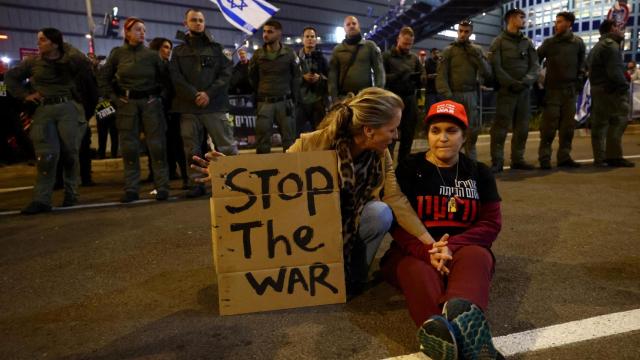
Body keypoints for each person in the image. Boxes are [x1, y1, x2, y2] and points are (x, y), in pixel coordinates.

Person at [191, 87, 436, 296]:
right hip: (308, 227)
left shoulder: (380, 155)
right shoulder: (312, 144)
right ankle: (308, 276)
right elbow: (272, 179)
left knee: (380, 213)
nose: (396, 136)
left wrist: (429, 242)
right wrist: (228, 174)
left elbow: (394, 198)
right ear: (369, 130)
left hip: (348, 226)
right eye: (392, 129)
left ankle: (351, 279)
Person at [381, 100, 502, 360]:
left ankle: (458, 327)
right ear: (428, 135)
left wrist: (450, 246)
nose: (443, 138)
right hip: (415, 253)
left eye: (451, 131)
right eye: (436, 131)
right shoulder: (410, 168)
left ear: (464, 136)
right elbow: (397, 223)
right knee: (416, 270)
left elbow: (491, 224)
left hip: (462, 250)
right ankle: (453, 340)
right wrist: (428, 252)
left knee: (478, 256)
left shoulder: (479, 172)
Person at [5, 28, 89, 214]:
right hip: (44, 110)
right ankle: (41, 199)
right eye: (38, 40)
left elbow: (83, 61)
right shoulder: (33, 62)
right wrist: (24, 95)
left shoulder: (69, 60)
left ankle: (71, 194)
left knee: (70, 153)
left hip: (68, 108)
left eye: (43, 40)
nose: (38, 43)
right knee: (46, 156)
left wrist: (62, 46)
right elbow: (10, 78)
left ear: (54, 42)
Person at [99, 17, 171, 203]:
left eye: (144, 30)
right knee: (129, 147)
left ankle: (162, 187)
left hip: (150, 103)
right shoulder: (117, 54)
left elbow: (165, 80)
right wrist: (115, 99)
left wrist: (159, 98)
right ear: (127, 32)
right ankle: (131, 188)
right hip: (127, 104)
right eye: (138, 29)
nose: (142, 33)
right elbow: (104, 79)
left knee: (157, 146)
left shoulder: (152, 55)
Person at [170, 8, 239, 197]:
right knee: (191, 149)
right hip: (188, 107)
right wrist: (194, 95)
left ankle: (233, 181)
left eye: (201, 20)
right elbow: (175, 77)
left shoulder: (217, 49)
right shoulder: (178, 52)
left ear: (204, 23)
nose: (198, 23)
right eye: (194, 20)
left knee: (226, 147)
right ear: (186, 24)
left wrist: (208, 94)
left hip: (214, 106)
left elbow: (226, 75)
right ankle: (196, 184)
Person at [488, 8, 539, 173]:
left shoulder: (528, 42)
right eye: (520, 17)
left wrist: (525, 82)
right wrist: (510, 83)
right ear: (510, 18)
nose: (524, 20)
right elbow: (496, 66)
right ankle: (497, 161)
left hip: (523, 92)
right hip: (506, 92)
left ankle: (518, 159)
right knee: (500, 128)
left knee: (522, 127)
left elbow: (535, 66)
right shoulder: (499, 42)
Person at [536, 12, 586, 170]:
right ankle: (544, 158)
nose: (556, 24)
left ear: (569, 23)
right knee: (548, 128)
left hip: (570, 92)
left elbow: (582, 65)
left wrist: (578, 82)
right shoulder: (549, 43)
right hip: (552, 91)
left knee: (567, 128)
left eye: (559, 22)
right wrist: (539, 80)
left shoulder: (578, 42)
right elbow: (535, 60)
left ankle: (564, 157)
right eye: (555, 22)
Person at [436, 20, 491, 161]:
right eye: (460, 30)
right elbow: (441, 76)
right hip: (454, 94)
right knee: (453, 128)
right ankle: (451, 161)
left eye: (466, 31)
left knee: (472, 129)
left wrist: (478, 56)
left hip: (471, 94)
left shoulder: (476, 50)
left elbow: (487, 73)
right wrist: (448, 96)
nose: (463, 34)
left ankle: (471, 164)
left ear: (471, 32)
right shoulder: (449, 51)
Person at [587, 19, 634, 167]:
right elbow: (615, 71)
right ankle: (614, 156)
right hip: (610, 90)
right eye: (619, 27)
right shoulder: (611, 46)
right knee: (619, 119)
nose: (622, 30)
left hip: (598, 89)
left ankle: (600, 157)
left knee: (599, 124)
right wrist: (624, 86)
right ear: (612, 29)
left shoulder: (597, 47)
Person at [249, 20, 301, 154]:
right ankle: (263, 170)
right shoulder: (258, 55)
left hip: (285, 103)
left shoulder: (289, 53)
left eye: (270, 32)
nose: (265, 35)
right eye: (264, 31)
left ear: (279, 33)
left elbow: (296, 77)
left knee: (289, 142)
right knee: (262, 142)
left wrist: (293, 99)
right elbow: (252, 78)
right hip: (264, 102)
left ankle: (291, 170)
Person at [150, 37, 188, 188]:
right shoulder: (151, 67)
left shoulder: (171, 67)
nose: (168, 50)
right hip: (156, 111)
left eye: (169, 48)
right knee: (159, 146)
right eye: (165, 47)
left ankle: (186, 177)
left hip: (172, 110)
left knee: (178, 145)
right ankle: (164, 178)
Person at [383, 26, 425, 162]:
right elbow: (381, 78)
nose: (407, 46)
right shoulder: (387, 56)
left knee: (408, 136)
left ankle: (403, 168)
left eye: (410, 44)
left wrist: (421, 78)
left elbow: (422, 75)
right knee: (390, 136)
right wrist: (399, 75)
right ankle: (387, 167)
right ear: (398, 39)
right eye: (405, 43)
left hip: (410, 100)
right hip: (392, 101)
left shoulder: (414, 58)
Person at [328, 16, 384, 100]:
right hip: (344, 98)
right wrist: (334, 98)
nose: (351, 26)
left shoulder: (370, 46)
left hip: (365, 98)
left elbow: (379, 71)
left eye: (354, 23)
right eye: (348, 24)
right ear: (344, 29)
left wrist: (377, 94)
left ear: (359, 26)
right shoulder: (337, 50)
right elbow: (332, 76)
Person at [296, 26, 329, 135]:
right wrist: (302, 77)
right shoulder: (295, 58)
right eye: (307, 36)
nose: (310, 39)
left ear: (316, 39)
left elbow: (330, 78)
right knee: (295, 136)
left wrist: (319, 78)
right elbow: (288, 77)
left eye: (312, 36)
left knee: (320, 135)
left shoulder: (322, 59)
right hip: (300, 103)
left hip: (318, 102)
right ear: (302, 39)